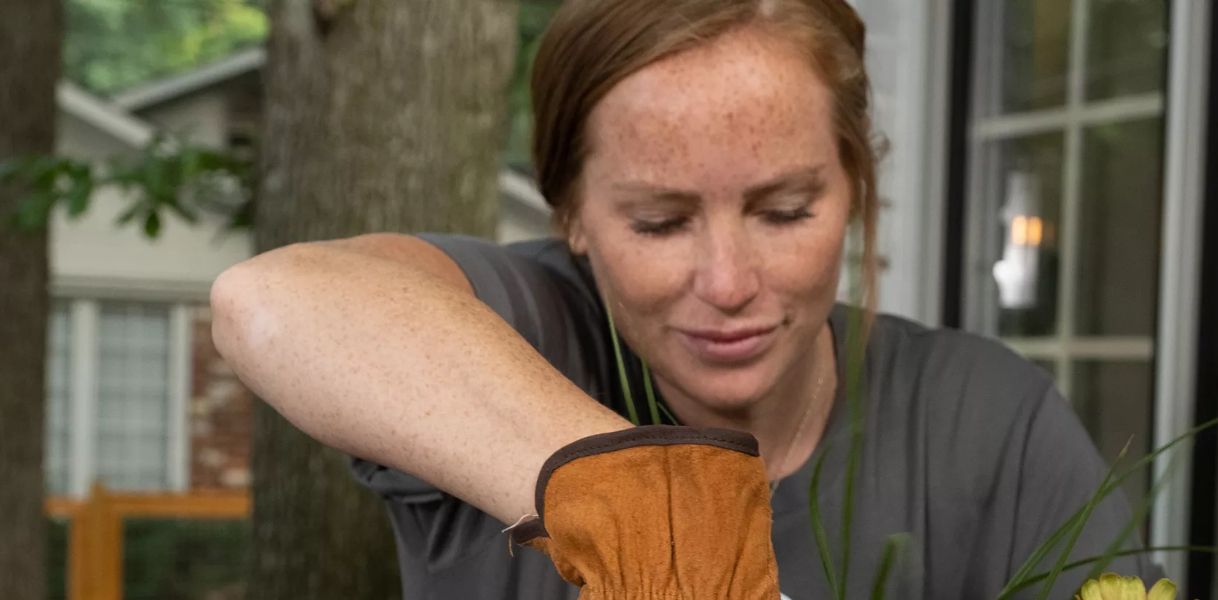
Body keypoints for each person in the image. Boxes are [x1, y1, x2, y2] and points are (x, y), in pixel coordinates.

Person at [209, 0, 1162, 598]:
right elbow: (270, 301)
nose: (729, 283)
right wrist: (659, 524)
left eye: (785, 210)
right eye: (660, 223)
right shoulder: (534, 322)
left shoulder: (988, 418)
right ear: (572, 216)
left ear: (856, 187)